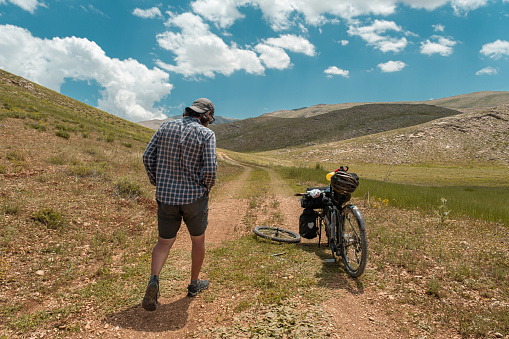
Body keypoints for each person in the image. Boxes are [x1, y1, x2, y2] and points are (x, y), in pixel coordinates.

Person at [141, 98, 217, 311]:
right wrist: (205, 188)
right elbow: (210, 169)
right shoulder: (206, 134)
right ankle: (194, 285)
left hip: (166, 198)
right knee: (198, 241)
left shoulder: (166, 126)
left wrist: (158, 181)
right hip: (195, 198)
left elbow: (147, 157)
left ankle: (154, 280)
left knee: (163, 243)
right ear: (206, 116)